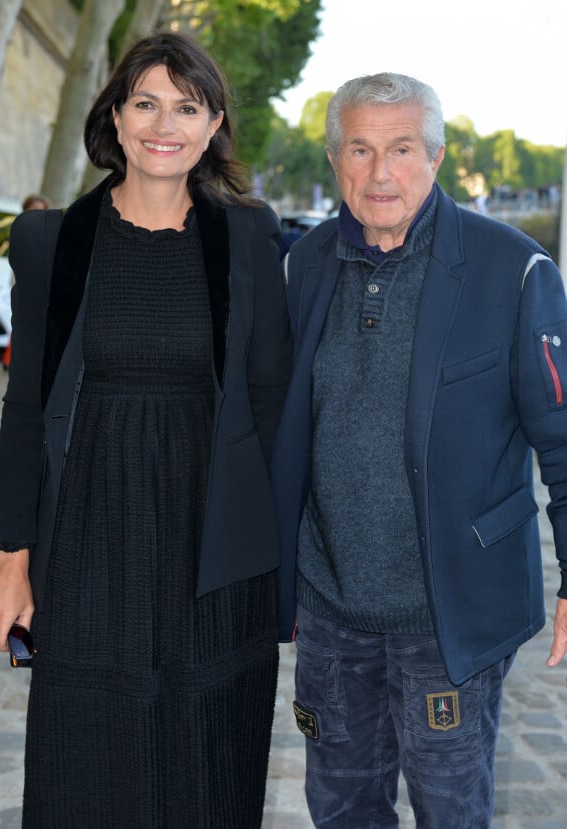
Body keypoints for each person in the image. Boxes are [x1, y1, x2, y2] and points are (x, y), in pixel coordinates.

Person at [0, 31, 291, 828]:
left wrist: (288, 566)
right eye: (146, 102)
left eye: (187, 106)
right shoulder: (51, 242)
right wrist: (10, 560)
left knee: (208, 756)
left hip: (214, 543)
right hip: (89, 538)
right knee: (87, 753)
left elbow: (273, 405)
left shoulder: (250, 239)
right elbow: (24, 410)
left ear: (213, 122)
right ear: (115, 118)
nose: (165, 123)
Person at [271, 72, 567, 828]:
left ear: (435, 156)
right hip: (331, 615)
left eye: (401, 148)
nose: (379, 172)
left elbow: (562, 440)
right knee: (340, 808)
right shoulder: (303, 267)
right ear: (336, 158)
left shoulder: (515, 270)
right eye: (360, 149)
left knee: (451, 810)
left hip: (449, 619)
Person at [1, 194, 52, 371]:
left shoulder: (49, 233)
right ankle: (10, 360)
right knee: (18, 324)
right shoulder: (19, 230)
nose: (37, 214)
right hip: (22, 285)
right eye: (33, 210)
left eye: (41, 210)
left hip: (41, 287)